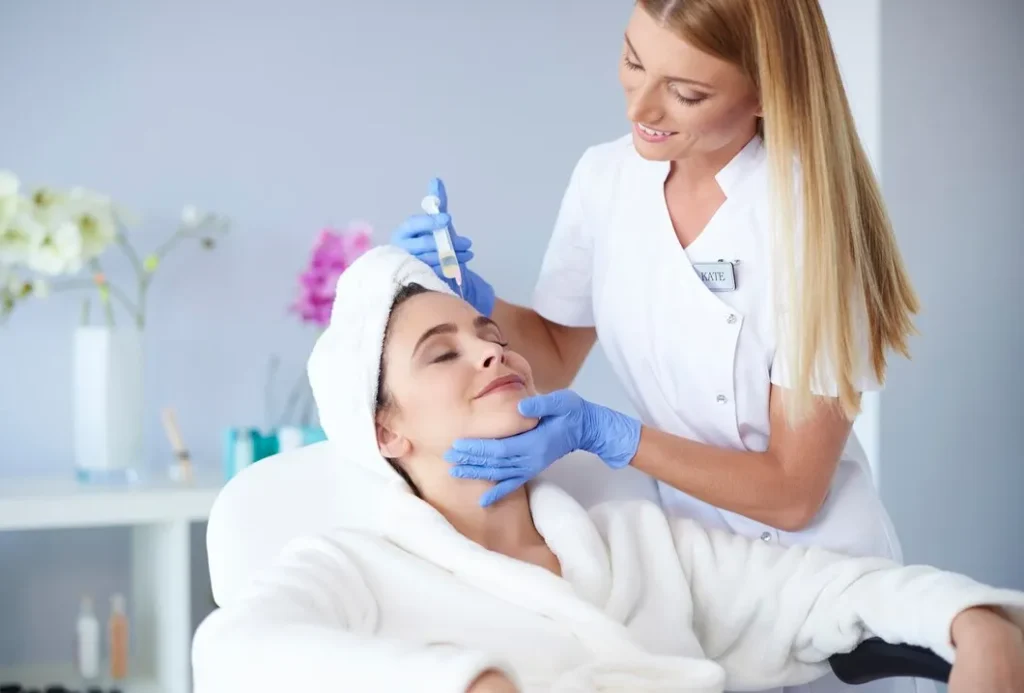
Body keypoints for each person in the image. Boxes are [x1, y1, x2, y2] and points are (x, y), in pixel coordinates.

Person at [190, 247, 1024, 693]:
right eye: (442, 352)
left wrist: (972, 621)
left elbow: (812, 590)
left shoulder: (629, 537)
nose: (489, 346)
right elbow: (233, 652)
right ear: (385, 429)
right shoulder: (356, 566)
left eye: (489, 331)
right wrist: (461, 682)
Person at [392, 5, 920, 690]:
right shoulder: (606, 179)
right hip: (690, 577)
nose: (641, 105)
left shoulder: (810, 223)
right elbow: (551, 348)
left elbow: (794, 492)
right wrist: (474, 298)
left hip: (821, 584)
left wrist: (608, 434)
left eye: (686, 92)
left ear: (766, 92)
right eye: (633, 61)